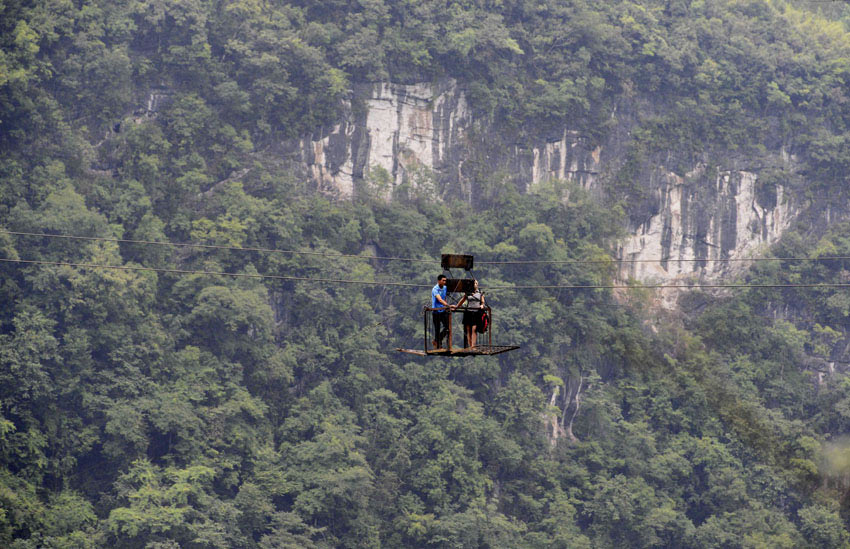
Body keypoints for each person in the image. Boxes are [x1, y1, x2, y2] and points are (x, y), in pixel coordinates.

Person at [456, 280, 485, 349]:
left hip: (476, 312)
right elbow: (462, 300)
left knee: (474, 329)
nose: (475, 284)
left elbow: (482, 302)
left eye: (476, 283)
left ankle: (473, 345)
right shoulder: (468, 293)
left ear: (477, 285)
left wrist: (482, 305)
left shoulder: (480, 293)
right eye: (473, 283)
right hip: (468, 311)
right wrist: (456, 306)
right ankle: (470, 345)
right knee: (468, 329)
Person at [431, 274, 452, 349]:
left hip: (443, 310)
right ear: (439, 281)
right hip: (436, 311)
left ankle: (437, 340)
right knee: (437, 328)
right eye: (443, 280)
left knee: (447, 327)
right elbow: (439, 299)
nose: (444, 282)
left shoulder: (445, 288)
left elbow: (445, 297)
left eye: (445, 280)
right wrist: (448, 305)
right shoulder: (435, 289)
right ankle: (439, 345)